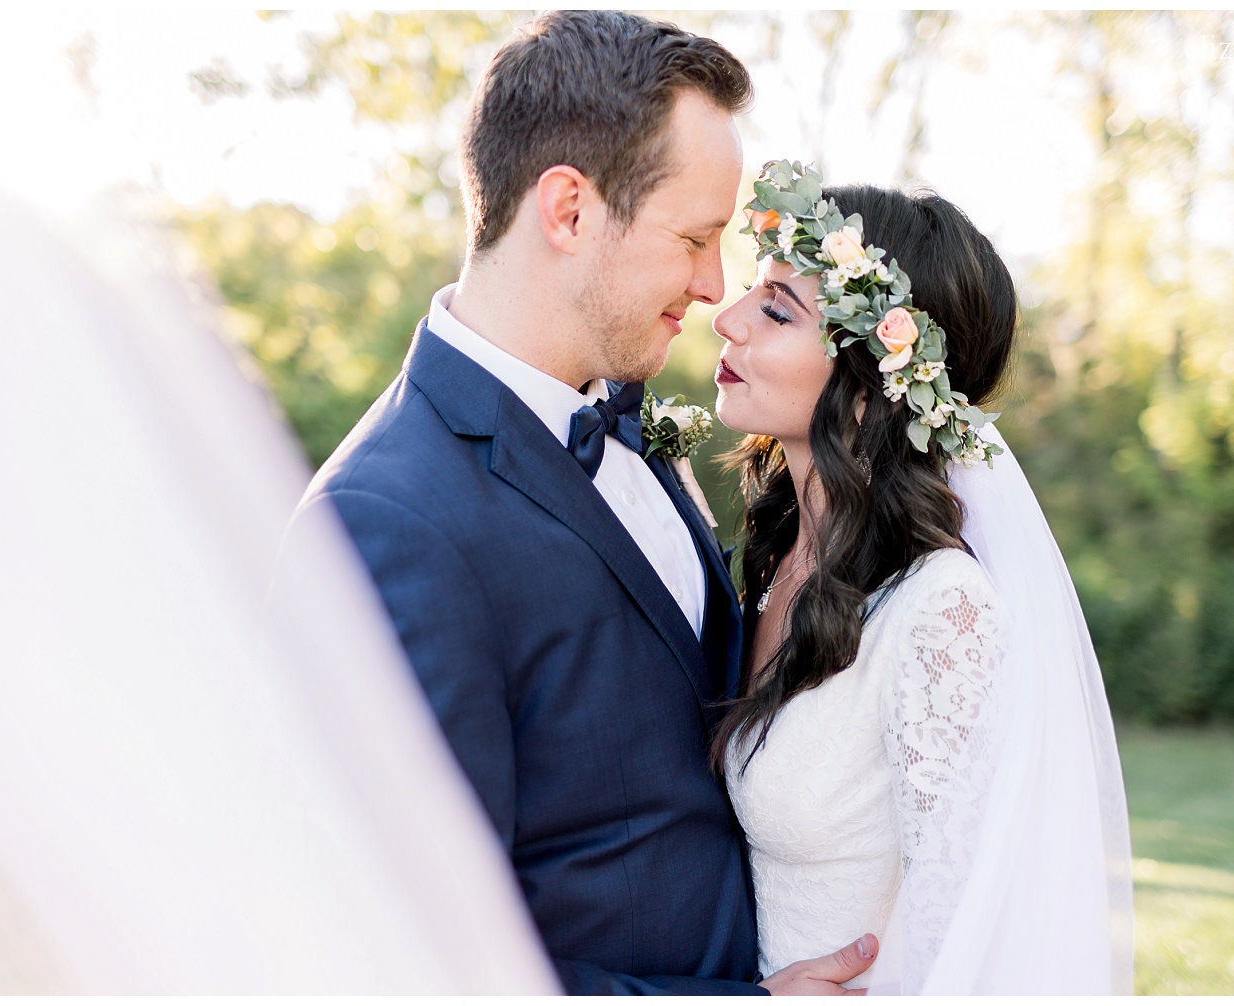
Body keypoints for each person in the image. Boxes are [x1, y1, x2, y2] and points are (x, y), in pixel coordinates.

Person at [285, 13, 875, 996]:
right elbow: (408, 954)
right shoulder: (387, 520)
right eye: (693, 237)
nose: (712, 283)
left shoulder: (634, 423)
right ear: (567, 210)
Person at [712, 163, 1135, 994]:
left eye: (775, 309)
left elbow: (969, 926)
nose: (726, 321)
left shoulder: (940, 610)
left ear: (873, 384)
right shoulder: (779, 559)